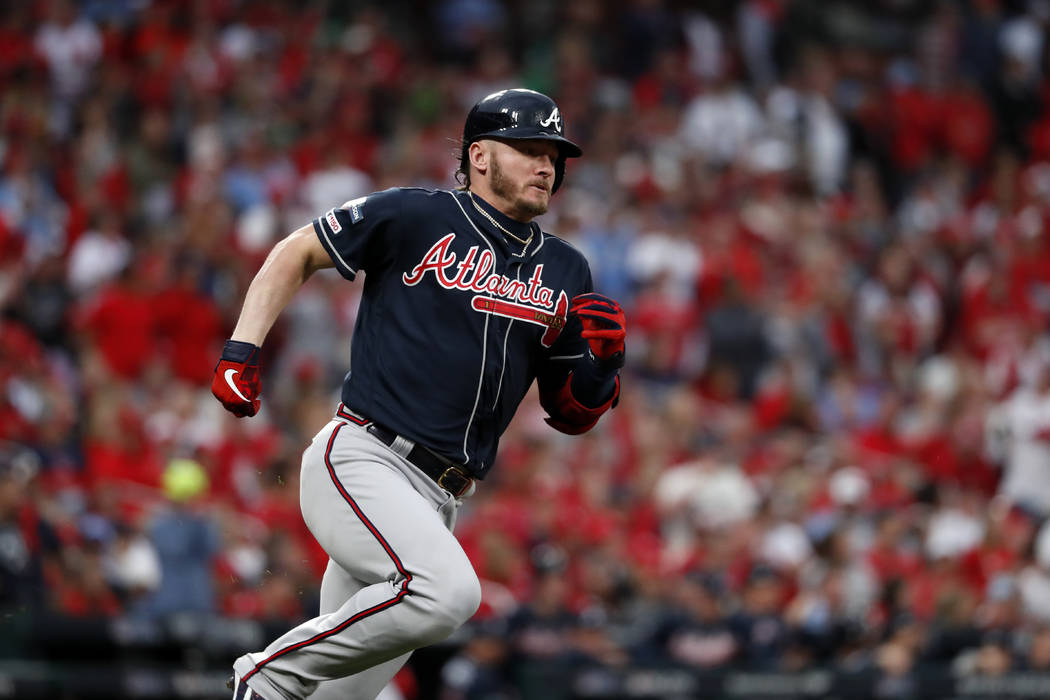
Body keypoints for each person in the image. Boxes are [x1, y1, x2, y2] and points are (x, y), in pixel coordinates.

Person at [211, 88, 627, 700]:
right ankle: (266, 676)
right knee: (449, 593)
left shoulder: (566, 269)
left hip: (439, 499)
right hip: (364, 458)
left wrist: (603, 368)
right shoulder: (416, 216)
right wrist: (242, 349)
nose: (547, 166)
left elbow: (568, 414)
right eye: (530, 150)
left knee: (345, 697)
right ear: (480, 155)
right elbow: (296, 251)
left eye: (554, 155)